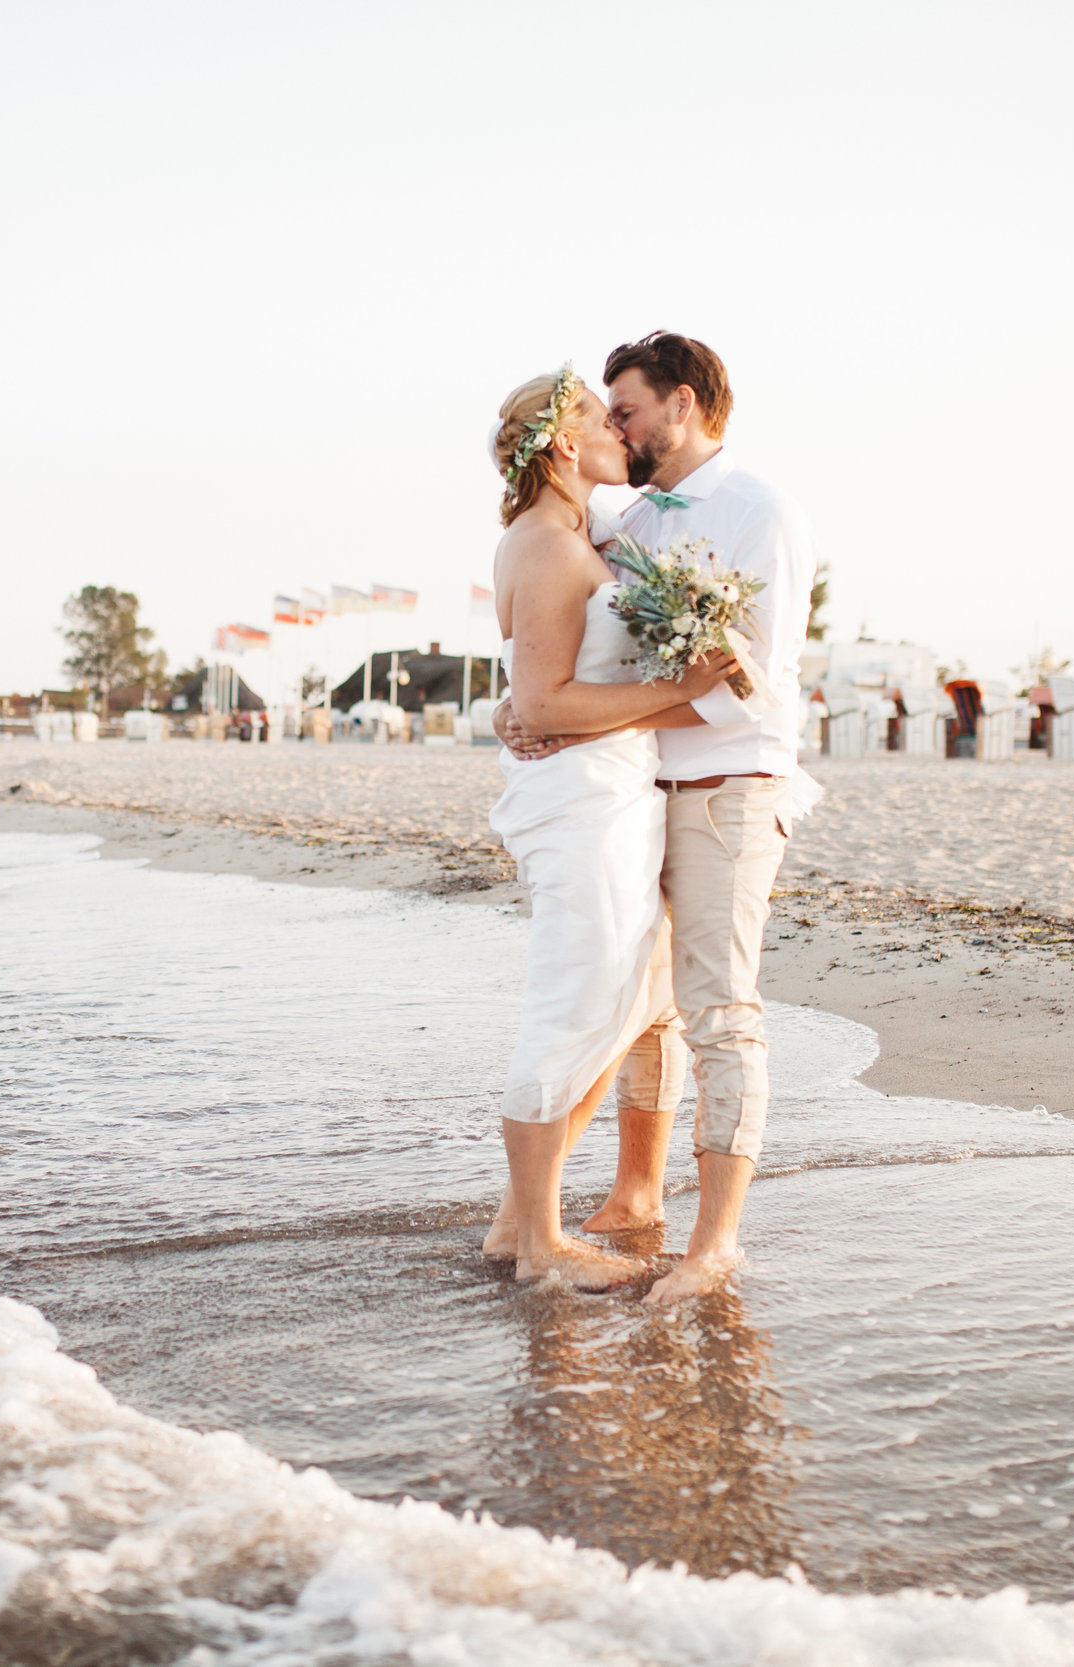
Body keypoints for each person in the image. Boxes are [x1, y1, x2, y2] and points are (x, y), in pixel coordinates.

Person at [496, 331, 822, 1307]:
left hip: (725, 783)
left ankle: (713, 1244)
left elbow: (748, 686)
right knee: (642, 1010)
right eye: (604, 412)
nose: (618, 424)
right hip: (632, 791)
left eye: (627, 407)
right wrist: (519, 709)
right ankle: (629, 1193)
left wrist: (564, 712)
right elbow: (559, 643)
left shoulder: (758, 511)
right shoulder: (622, 522)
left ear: (682, 405)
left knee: (718, 1009)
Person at [481, 364, 736, 1291]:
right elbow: (546, 701)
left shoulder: (576, 532)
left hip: (610, 791)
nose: (617, 432)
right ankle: (540, 1242)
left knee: (623, 996)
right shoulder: (548, 544)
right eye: (598, 418)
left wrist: (681, 694)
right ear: (560, 442)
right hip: (582, 802)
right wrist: (681, 689)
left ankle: (521, 1224)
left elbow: (541, 698)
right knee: (572, 998)